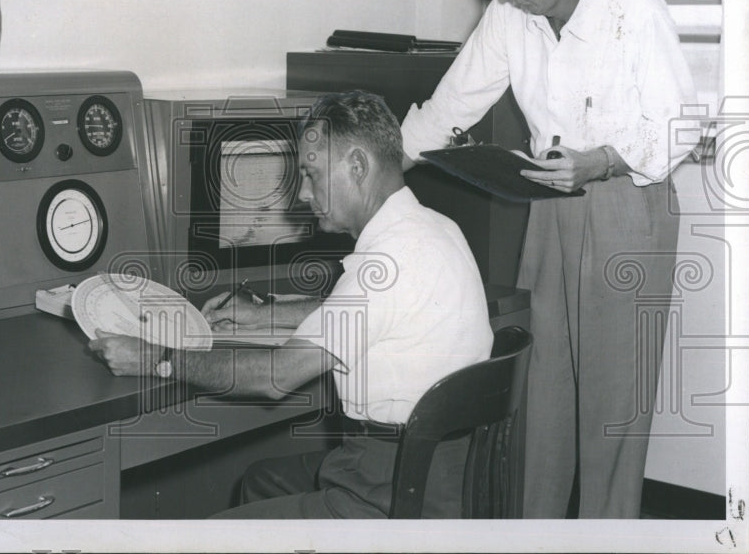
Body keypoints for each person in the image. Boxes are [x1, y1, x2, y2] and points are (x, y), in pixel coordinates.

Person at [400, 0, 696, 518]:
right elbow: (454, 103)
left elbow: (679, 129)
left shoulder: (634, 12)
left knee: (615, 401)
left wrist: (602, 160)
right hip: (549, 203)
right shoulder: (511, 16)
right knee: (542, 394)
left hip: (628, 207)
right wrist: (384, 164)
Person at [90, 90, 493, 518]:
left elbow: (275, 378)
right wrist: (260, 314)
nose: (302, 193)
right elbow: (363, 315)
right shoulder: (436, 229)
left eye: (311, 174)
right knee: (261, 479)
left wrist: (157, 357)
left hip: (389, 490)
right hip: (448, 472)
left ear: (357, 166)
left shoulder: (386, 260)